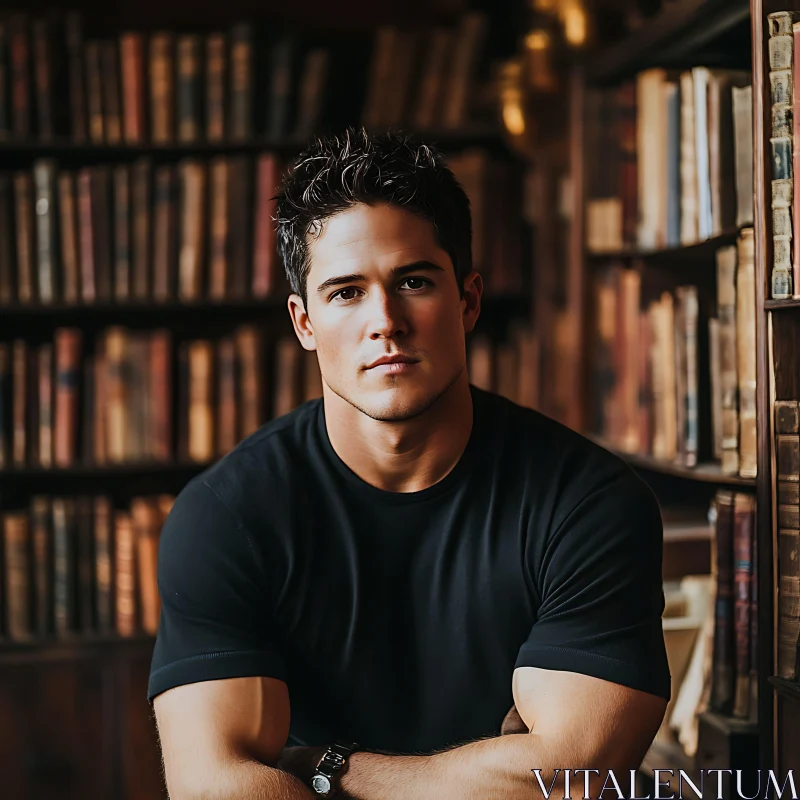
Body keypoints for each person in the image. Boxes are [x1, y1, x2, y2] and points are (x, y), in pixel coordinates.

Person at [150, 128, 670, 800]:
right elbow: (215, 786)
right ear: (304, 322)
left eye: (414, 281)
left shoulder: (588, 503)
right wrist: (491, 772)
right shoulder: (227, 517)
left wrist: (322, 768)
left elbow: (572, 776)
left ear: (468, 301)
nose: (386, 321)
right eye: (345, 292)